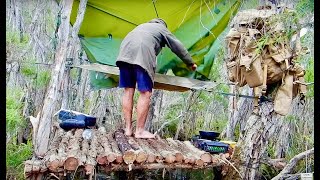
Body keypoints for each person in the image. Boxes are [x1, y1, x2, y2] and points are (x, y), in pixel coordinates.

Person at [116, 18, 197, 139]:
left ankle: (127, 129)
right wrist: (190, 63)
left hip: (124, 54)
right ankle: (139, 131)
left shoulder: (142, 26)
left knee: (128, 91)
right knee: (145, 93)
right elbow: (177, 46)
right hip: (142, 54)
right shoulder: (162, 29)